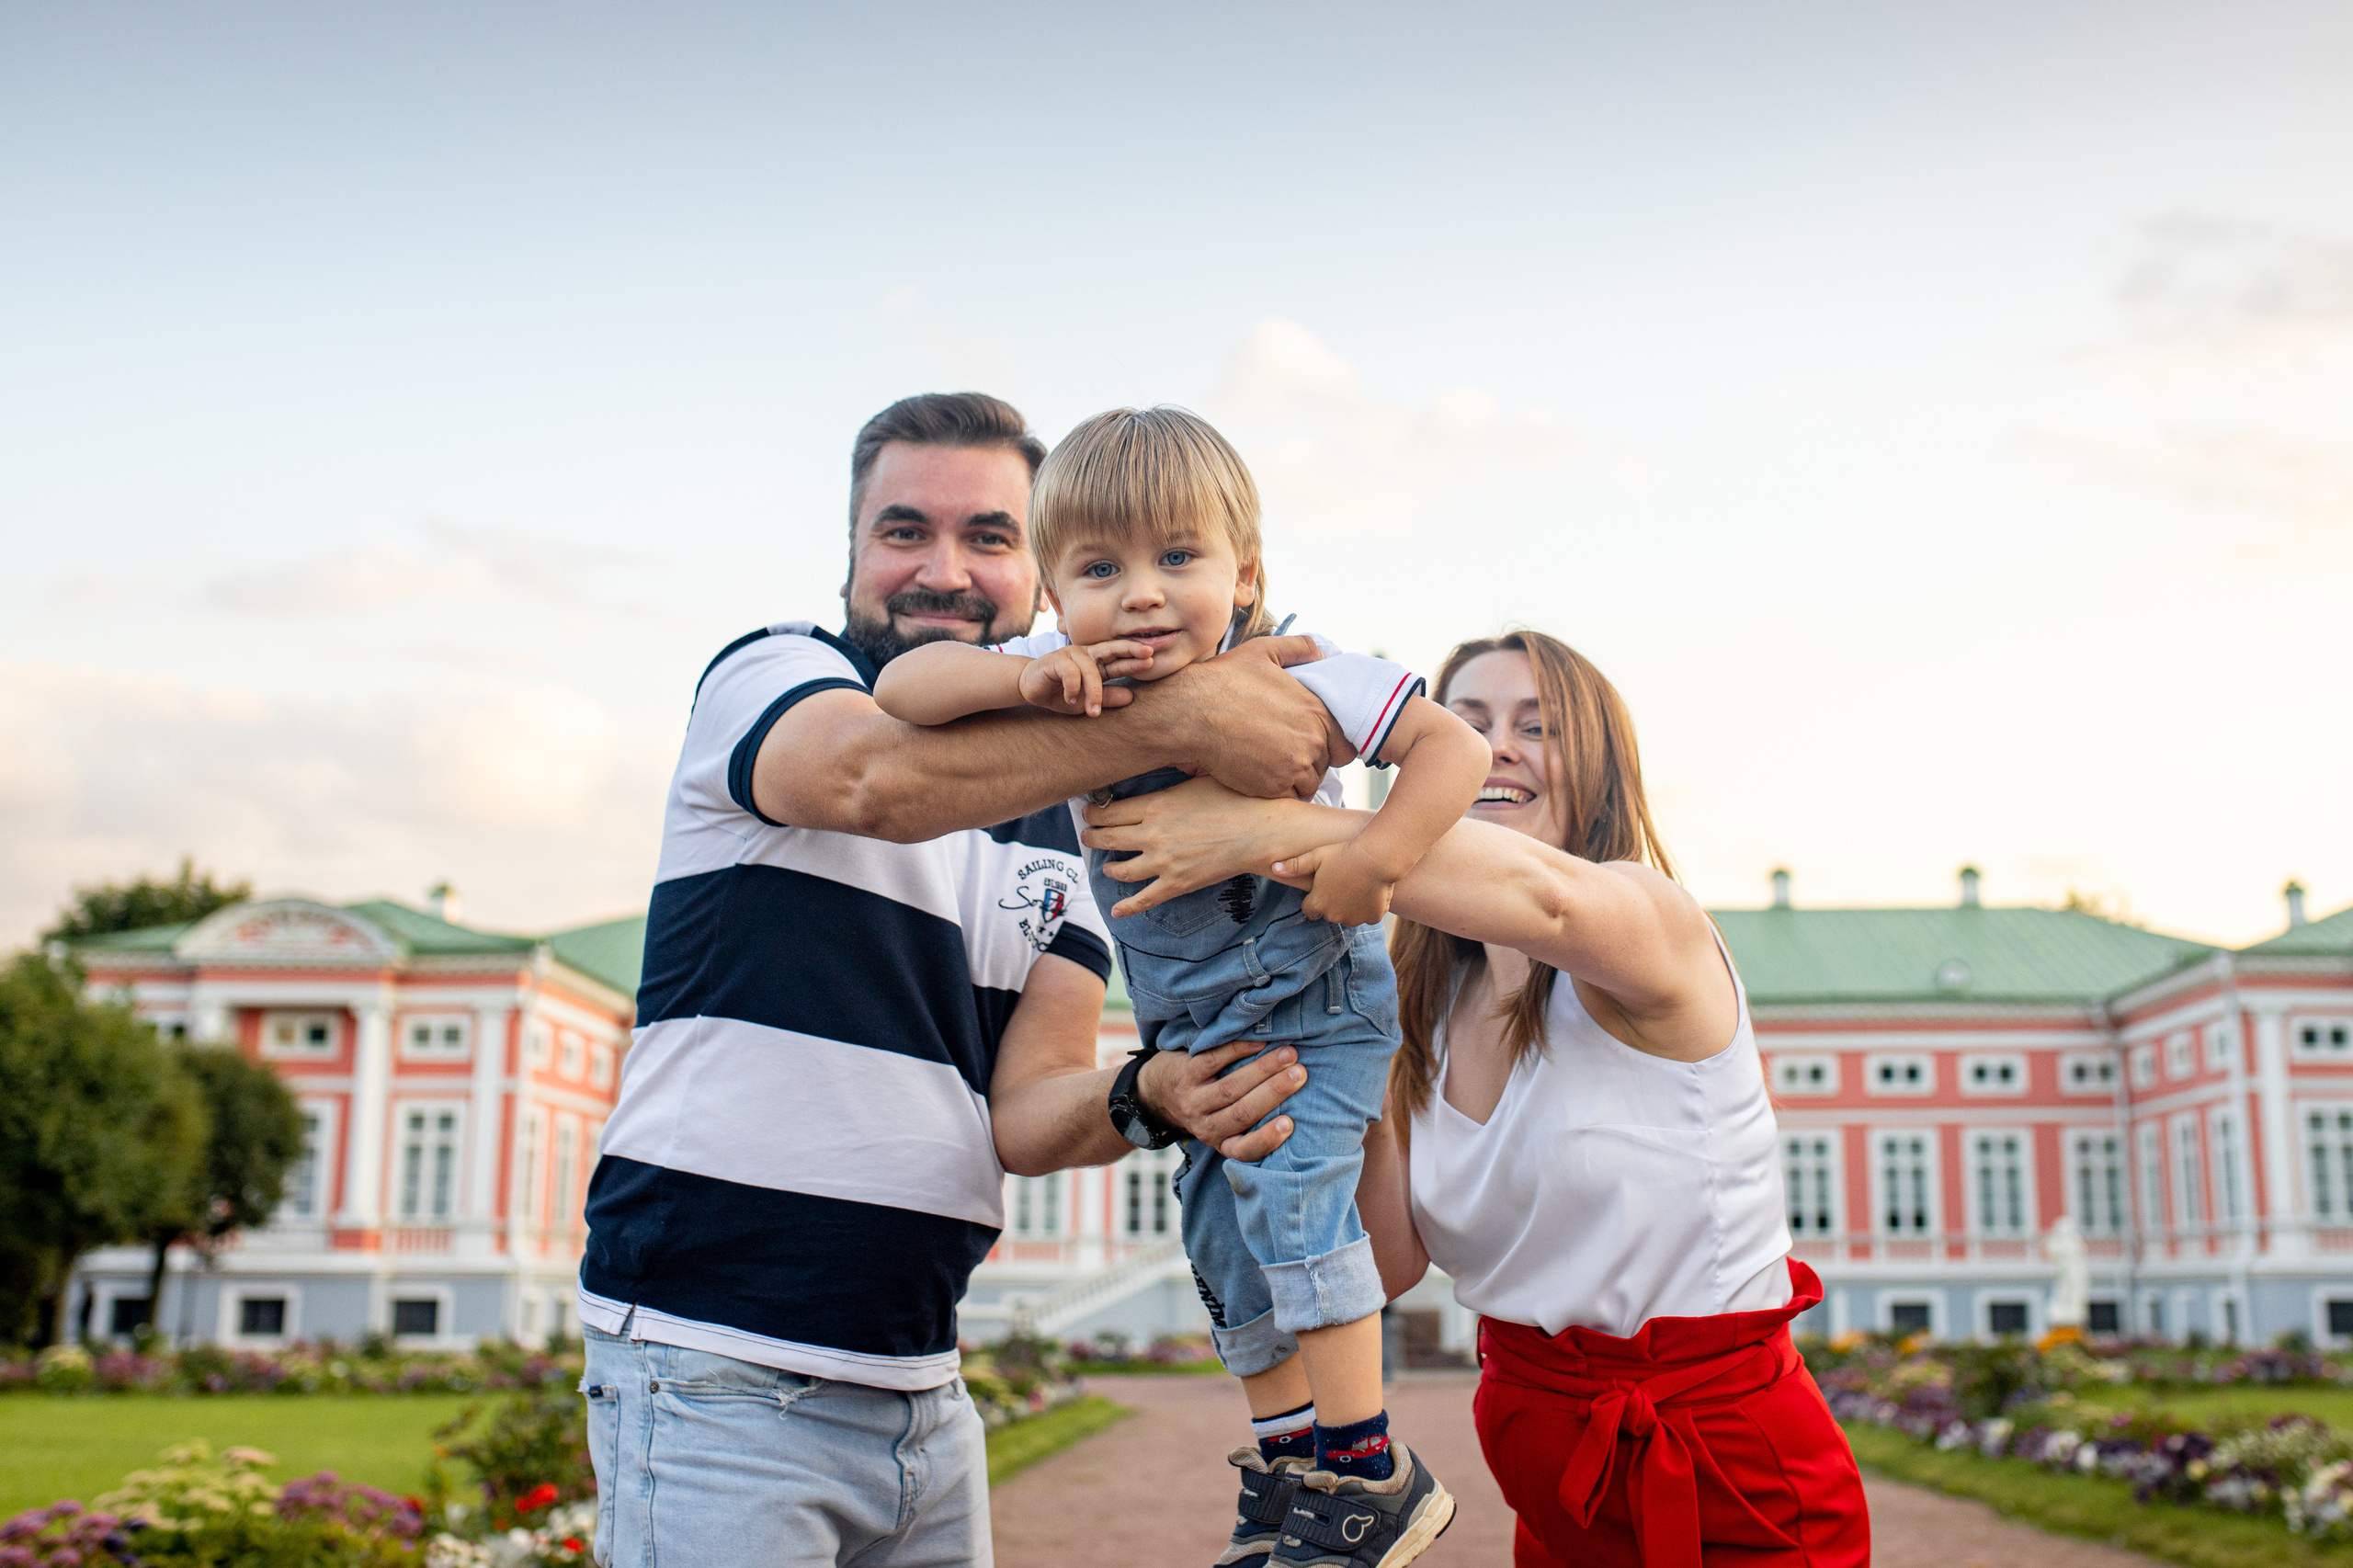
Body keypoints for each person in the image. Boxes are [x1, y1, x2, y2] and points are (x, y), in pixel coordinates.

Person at [576, 392, 1333, 1568]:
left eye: (988, 537)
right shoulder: (775, 672)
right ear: (850, 554)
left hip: (924, 1382)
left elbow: (1025, 1113)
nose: (943, 569)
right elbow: (869, 782)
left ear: (1040, 572)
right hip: (711, 1361)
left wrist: (1153, 1092)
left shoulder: (1068, 819)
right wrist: (1185, 711)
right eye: (902, 531)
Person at [1078, 630, 1873, 1568]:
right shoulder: (1418, 1006)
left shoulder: (1651, 920)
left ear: (1601, 766)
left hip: (1724, 1470)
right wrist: (1313, 1087)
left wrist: (1267, 830)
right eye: (1468, 721)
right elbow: (1389, 1261)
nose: (1496, 746)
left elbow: (1550, 905)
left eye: (1536, 725)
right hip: (1548, 1480)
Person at [877, 406, 1486, 1568]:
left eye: (1178, 558)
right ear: (1053, 595)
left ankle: (1369, 1471)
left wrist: (1375, 856)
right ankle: (1289, 1471)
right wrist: (1037, 677)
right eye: (1101, 569)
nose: (1143, 594)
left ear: (1244, 573)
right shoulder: (1061, 680)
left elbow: (1448, 748)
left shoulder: (1305, 667)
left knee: (1300, 1205)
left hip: (1313, 1006)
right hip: (1195, 1031)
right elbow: (907, 687)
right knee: (1218, 1239)